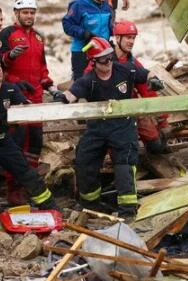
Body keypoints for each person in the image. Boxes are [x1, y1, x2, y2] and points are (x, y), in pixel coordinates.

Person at [55, 37, 164, 219]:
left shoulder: (125, 70)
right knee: (85, 160)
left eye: (110, 56)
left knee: (124, 165)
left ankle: (127, 212)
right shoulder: (88, 80)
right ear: (94, 61)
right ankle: (91, 205)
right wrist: (61, 97)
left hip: (123, 125)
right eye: (104, 59)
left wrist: (154, 80)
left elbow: (146, 74)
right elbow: (71, 94)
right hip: (98, 127)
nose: (109, 62)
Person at [0, 0, 60, 204]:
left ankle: (30, 185)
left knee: (34, 144)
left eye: (32, 12)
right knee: (16, 144)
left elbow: (42, 68)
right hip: (16, 99)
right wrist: (10, 58)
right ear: (16, 13)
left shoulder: (39, 38)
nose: (29, 16)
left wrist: (50, 85)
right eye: (25, 12)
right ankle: (13, 189)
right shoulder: (6, 34)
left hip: (37, 98)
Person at [0, 55, 58, 230]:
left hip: (4, 142)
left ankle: (52, 209)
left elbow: (25, 107)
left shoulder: (9, 90)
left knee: (27, 174)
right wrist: (5, 117)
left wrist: (25, 109)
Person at [111, 20, 169, 154]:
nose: (131, 41)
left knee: (157, 146)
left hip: (133, 109)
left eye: (133, 38)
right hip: (111, 113)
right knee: (120, 151)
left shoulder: (133, 63)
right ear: (118, 38)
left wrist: (162, 120)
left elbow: (147, 91)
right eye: (127, 37)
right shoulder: (104, 60)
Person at [63, 0, 115, 80]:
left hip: (103, 50)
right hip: (82, 51)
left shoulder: (106, 5)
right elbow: (67, 25)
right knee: (81, 83)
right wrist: (84, 33)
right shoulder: (78, 4)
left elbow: (108, 26)